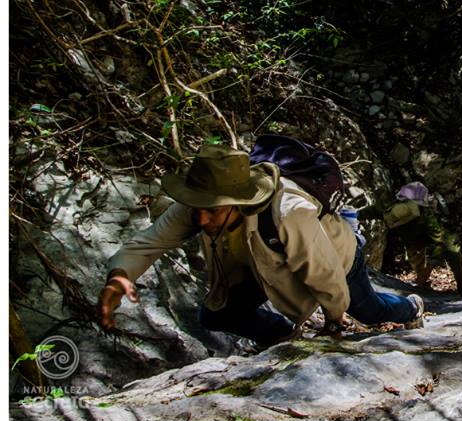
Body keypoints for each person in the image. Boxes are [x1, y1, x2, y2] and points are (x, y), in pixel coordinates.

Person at [97, 145, 424, 349]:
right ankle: (282, 338)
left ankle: (411, 307)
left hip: (337, 255)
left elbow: (324, 272)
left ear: (239, 202)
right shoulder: (199, 206)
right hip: (264, 264)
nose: (201, 216)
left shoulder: (289, 212)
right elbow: (149, 242)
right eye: (196, 206)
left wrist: (334, 322)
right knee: (217, 315)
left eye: (211, 209)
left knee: (368, 311)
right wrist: (119, 275)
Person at [375, 182, 462, 293]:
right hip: (413, 236)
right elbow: (375, 211)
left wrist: (429, 266)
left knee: (452, 251)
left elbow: (441, 240)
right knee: (415, 254)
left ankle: (460, 282)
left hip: (430, 236)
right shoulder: (397, 208)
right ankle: (422, 281)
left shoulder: (427, 214)